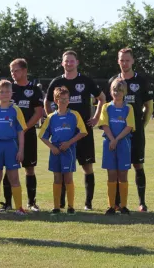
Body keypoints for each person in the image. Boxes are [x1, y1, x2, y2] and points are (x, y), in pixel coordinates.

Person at [45, 50, 105, 210]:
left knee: (87, 166)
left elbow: (102, 98)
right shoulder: (56, 82)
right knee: (62, 169)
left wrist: (97, 117)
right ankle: (62, 203)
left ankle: (88, 203)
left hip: (83, 131)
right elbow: (47, 101)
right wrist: (52, 120)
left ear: (77, 62)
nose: (69, 63)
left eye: (72, 61)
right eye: (66, 61)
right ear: (62, 63)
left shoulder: (85, 81)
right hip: (63, 135)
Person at [107, 48, 153, 211]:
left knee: (137, 165)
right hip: (116, 135)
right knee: (118, 167)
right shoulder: (113, 80)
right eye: (121, 60)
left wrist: (141, 126)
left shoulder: (141, 81)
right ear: (118, 61)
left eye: (127, 60)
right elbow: (108, 107)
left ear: (133, 61)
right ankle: (117, 203)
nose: (124, 63)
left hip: (135, 133)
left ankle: (142, 202)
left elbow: (148, 106)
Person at [1, 58, 44, 212]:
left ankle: (31, 203)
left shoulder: (34, 90)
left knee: (29, 168)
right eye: (11, 71)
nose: (13, 73)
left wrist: (23, 128)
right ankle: (7, 203)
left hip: (28, 134)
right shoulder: (8, 88)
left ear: (25, 71)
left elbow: (38, 113)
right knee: (9, 168)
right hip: (9, 136)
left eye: (16, 70)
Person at [40, 86, 88, 215]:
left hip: (69, 151)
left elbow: (83, 132)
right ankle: (56, 207)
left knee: (68, 178)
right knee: (57, 178)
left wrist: (69, 143)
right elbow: (42, 136)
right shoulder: (51, 117)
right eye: (61, 100)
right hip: (55, 151)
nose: (64, 102)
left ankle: (71, 207)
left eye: (66, 99)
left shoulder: (74, 115)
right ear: (56, 101)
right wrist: (52, 147)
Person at [0, 80, 28, 216]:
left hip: (11, 146)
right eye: (1, 91)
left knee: (14, 178)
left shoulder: (16, 110)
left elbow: (20, 131)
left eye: (7, 91)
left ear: (11, 93)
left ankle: (19, 207)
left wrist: (20, 150)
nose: (4, 94)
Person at [100, 78, 135, 215]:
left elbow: (129, 126)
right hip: (109, 143)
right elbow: (104, 125)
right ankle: (111, 206)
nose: (117, 93)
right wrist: (112, 139)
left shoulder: (128, 108)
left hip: (123, 144)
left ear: (124, 92)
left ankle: (123, 205)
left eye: (120, 90)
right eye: (114, 90)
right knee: (111, 175)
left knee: (123, 175)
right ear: (110, 91)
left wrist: (117, 139)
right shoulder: (106, 107)